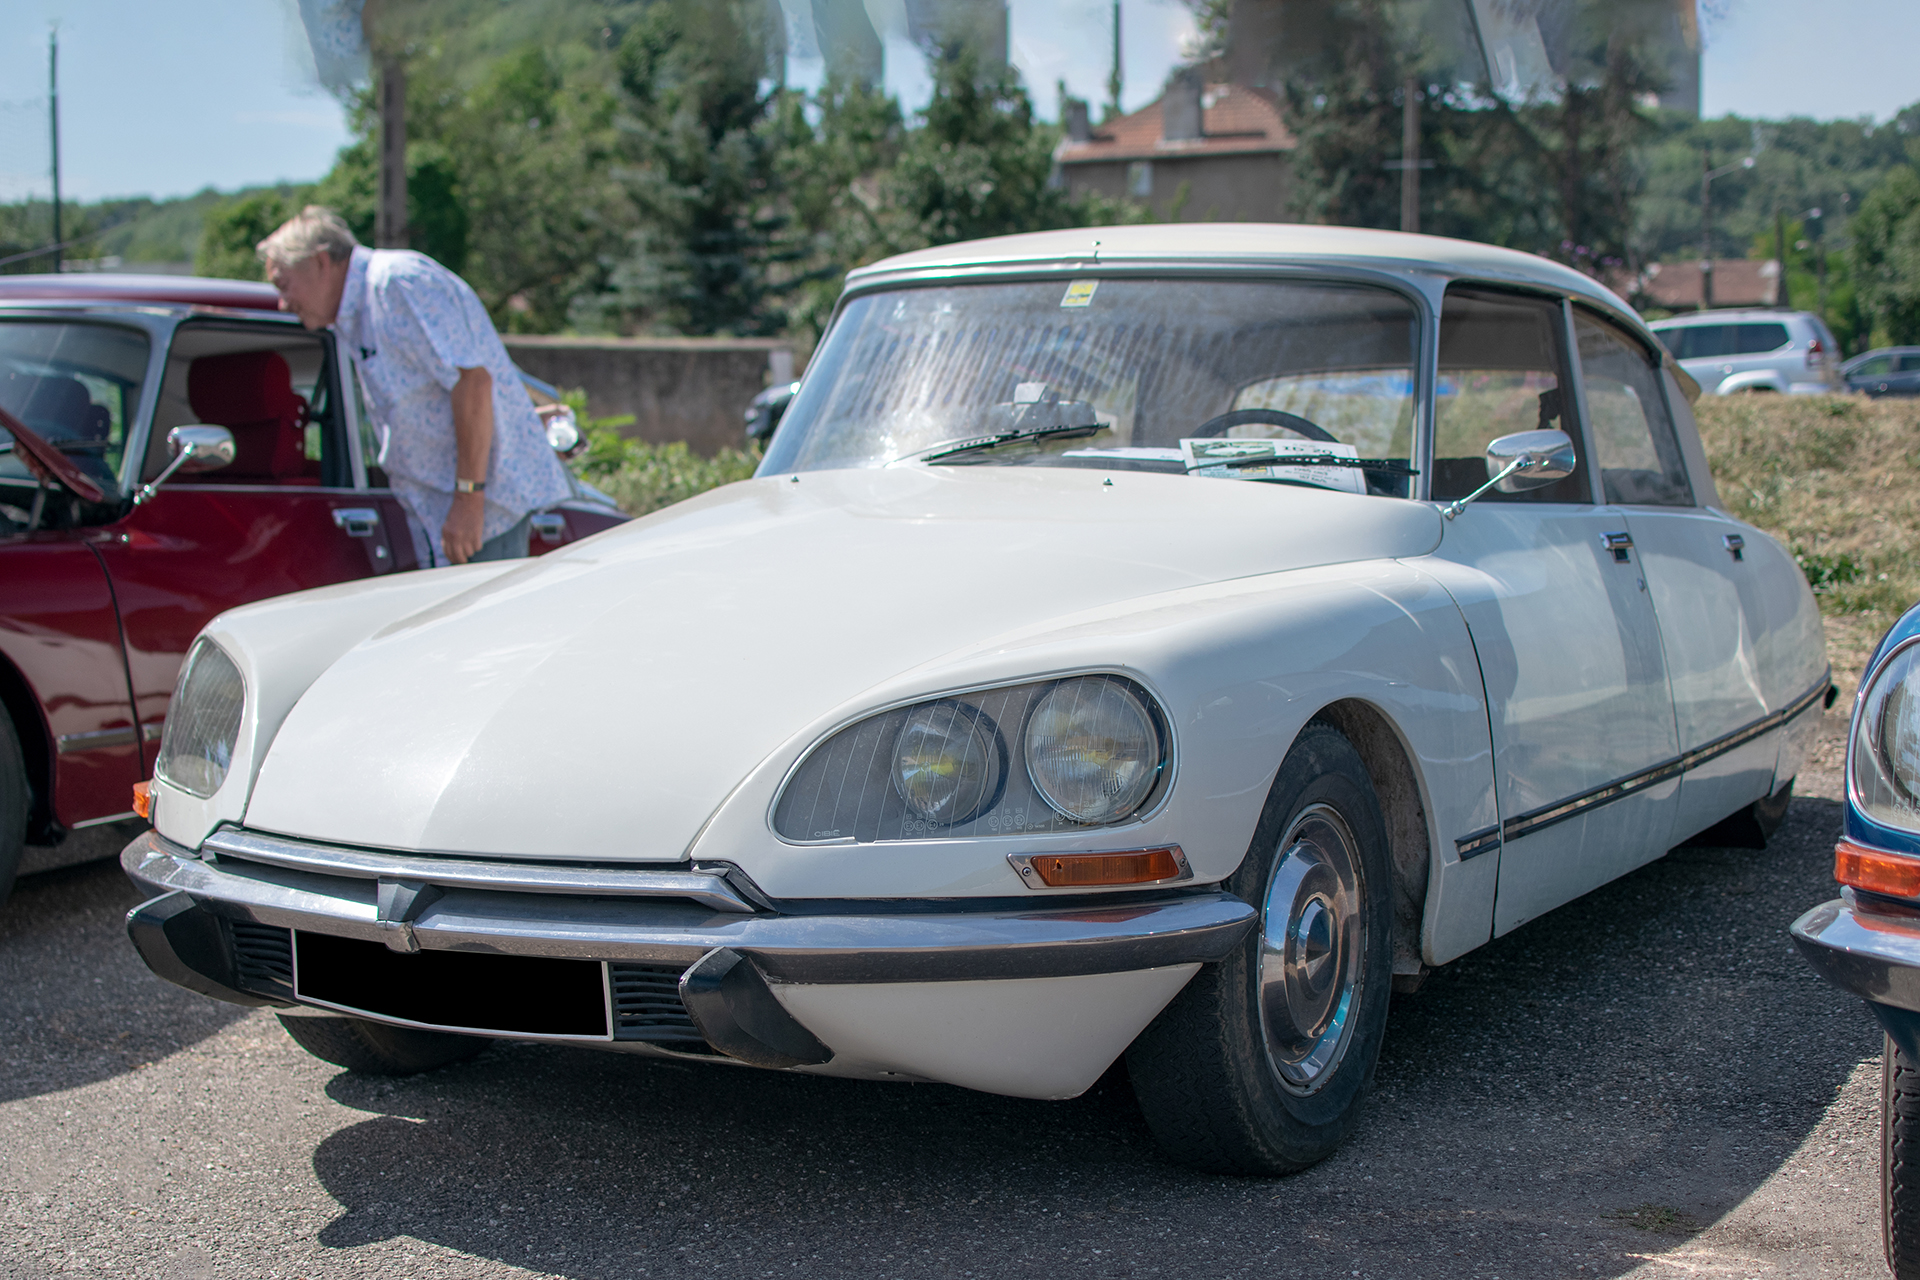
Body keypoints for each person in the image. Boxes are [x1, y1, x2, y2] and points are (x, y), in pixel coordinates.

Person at [257, 206, 570, 566]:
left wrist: (468, 501)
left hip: (483, 514)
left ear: (321, 262)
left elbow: (473, 382)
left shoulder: (397, 284)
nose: (283, 304)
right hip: (440, 513)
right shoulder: (354, 312)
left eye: (284, 284)